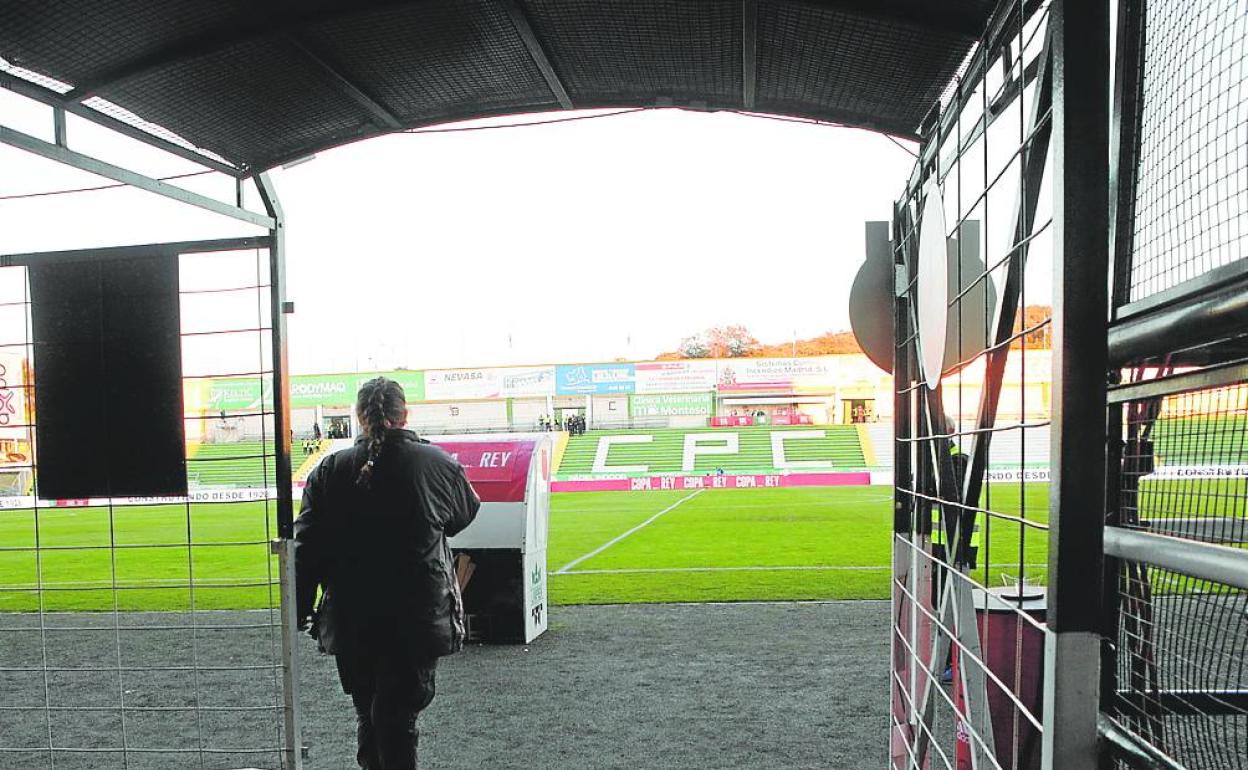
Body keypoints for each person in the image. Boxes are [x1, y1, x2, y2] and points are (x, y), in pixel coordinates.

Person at [294, 377, 480, 770]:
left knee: (371, 713)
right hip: (417, 616)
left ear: (359, 417)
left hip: (351, 617)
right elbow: (462, 516)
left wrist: (301, 609)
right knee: (396, 716)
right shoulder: (437, 464)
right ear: (404, 414)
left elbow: (306, 547)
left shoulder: (329, 470)